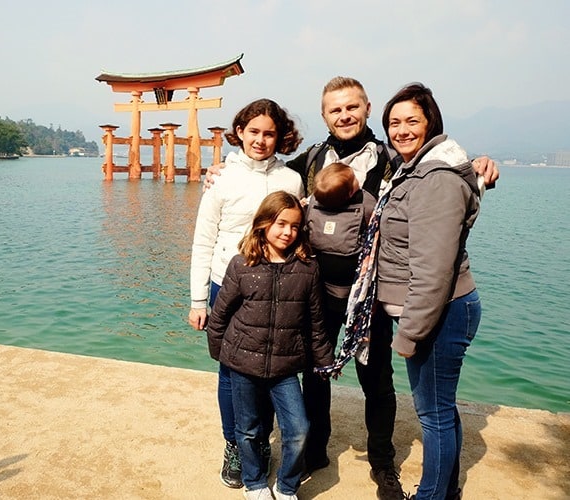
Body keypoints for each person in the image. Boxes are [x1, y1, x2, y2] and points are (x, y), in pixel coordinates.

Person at [205, 77, 499, 500]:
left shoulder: (391, 157)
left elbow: (436, 167)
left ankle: (381, 461)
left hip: (373, 292)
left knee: (374, 375)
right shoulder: (310, 161)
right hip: (314, 289)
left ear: (365, 109)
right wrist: (222, 168)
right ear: (325, 115)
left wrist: (480, 163)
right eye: (334, 110)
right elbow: (268, 174)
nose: (344, 116)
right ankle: (315, 450)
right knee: (316, 372)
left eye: (351, 108)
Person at [188, 98, 304, 489]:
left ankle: (258, 443)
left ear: (280, 137)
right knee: (230, 372)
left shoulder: (291, 180)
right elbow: (203, 240)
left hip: (277, 287)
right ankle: (235, 445)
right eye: (253, 131)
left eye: (269, 133)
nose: (260, 139)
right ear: (239, 132)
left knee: (270, 369)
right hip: (227, 282)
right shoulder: (221, 177)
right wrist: (198, 300)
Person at [374, 83, 482, 500]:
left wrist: (410, 333)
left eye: (411, 121)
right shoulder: (417, 168)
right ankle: (448, 488)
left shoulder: (435, 178)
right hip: (439, 307)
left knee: (433, 413)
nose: (401, 130)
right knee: (441, 406)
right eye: (394, 122)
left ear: (430, 122)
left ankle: (431, 495)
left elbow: (433, 270)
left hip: (441, 310)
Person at [206, 191, 333, 500]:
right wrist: (221, 353)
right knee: (248, 429)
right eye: (280, 223)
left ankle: (287, 486)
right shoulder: (242, 264)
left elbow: (317, 321)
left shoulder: (308, 268)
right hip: (242, 363)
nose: (287, 232)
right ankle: (254, 482)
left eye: (294, 226)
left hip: (285, 366)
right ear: (263, 223)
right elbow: (220, 313)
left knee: (299, 428)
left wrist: (324, 360)